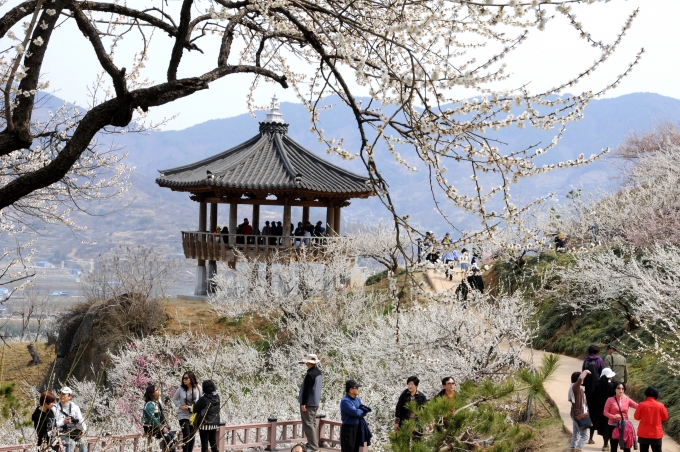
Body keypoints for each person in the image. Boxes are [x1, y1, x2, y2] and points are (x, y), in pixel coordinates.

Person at [603, 382, 638, 452]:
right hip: (613, 425)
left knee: (627, 447)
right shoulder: (610, 400)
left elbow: (637, 406)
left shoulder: (627, 399)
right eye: (618, 388)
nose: (621, 390)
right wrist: (613, 416)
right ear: (615, 389)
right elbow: (605, 412)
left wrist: (647, 405)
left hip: (625, 426)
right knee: (614, 447)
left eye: (622, 388)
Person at [298, 354, 323, 452]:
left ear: (308, 362)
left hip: (308, 403)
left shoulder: (310, 375)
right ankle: (312, 443)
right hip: (315, 402)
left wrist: (303, 403)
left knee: (308, 424)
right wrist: (306, 362)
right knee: (312, 423)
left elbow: (306, 390)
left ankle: (313, 446)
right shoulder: (318, 372)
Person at [172, 371, 201, 452]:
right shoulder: (180, 389)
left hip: (193, 415)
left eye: (186, 378)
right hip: (183, 415)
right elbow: (174, 399)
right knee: (186, 434)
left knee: (192, 435)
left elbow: (201, 399)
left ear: (191, 378)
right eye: (183, 378)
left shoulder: (197, 387)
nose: (184, 380)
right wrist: (180, 406)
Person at [582, 344, 605, 445]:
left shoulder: (586, 360)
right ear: (597, 352)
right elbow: (603, 373)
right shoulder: (599, 360)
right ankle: (593, 437)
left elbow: (583, 373)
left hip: (588, 389)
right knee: (596, 413)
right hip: (597, 389)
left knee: (589, 411)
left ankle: (588, 437)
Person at [634, 386, 669, 452]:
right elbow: (665, 417)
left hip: (643, 433)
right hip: (656, 433)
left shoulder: (641, 405)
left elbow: (636, 417)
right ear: (656, 394)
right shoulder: (660, 405)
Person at [142, 384, 176, 451]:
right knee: (168, 438)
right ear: (152, 393)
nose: (159, 390)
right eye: (156, 390)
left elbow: (160, 416)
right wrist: (161, 427)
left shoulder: (156, 402)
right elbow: (152, 418)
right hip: (150, 427)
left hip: (156, 426)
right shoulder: (149, 404)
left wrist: (164, 426)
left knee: (172, 436)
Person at [54, 387, 87, 452]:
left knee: (82, 444)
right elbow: (53, 424)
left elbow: (81, 420)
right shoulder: (55, 408)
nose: (61, 396)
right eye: (60, 393)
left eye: (64, 394)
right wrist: (63, 422)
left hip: (72, 433)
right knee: (71, 443)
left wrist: (84, 430)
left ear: (70, 397)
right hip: (60, 434)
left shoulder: (74, 407)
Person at [191, 380, 221, 452]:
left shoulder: (204, 399)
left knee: (204, 443)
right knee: (213, 442)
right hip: (214, 423)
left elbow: (195, 409)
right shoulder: (217, 397)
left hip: (205, 423)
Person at [340, 380, 369, 452]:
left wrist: (360, 411)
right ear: (351, 390)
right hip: (348, 429)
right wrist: (360, 411)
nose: (358, 390)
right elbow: (355, 412)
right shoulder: (345, 401)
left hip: (357, 428)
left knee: (356, 449)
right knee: (348, 449)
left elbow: (364, 412)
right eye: (357, 388)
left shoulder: (357, 400)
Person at [568, 370, 591, 452]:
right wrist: (585, 371)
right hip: (580, 415)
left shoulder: (572, 388)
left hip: (575, 414)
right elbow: (581, 378)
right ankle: (578, 449)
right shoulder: (576, 388)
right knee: (584, 436)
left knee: (575, 434)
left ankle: (572, 449)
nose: (583, 380)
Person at [596, 368, 617, 451]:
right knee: (610, 426)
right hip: (611, 410)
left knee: (604, 426)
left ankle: (605, 444)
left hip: (601, 409)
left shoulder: (598, 384)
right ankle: (612, 445)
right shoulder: (612, 386)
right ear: (610, 377)